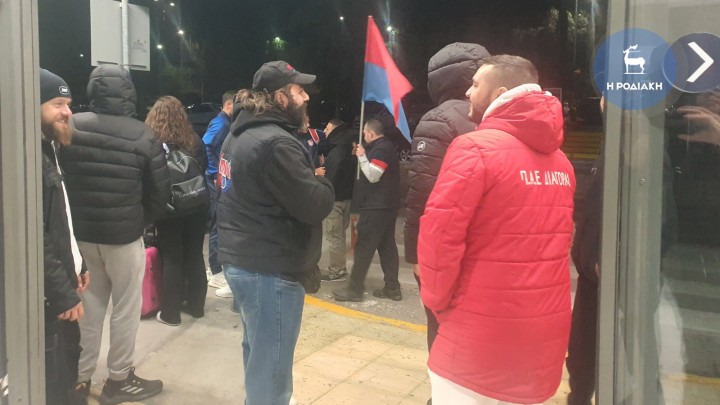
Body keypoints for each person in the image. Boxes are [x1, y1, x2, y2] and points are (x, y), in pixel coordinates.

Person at [417, 55, 575, 404]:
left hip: (477, 341)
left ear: (500, 93)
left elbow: (439, 239)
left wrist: (438, 304)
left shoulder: (474, 148)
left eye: (475, 84)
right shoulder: (561, 163)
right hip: (541, 343)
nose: (468, 92)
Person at [217, 61, 334, 404]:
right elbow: (315, 204)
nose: (306, 97)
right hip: (269, 268)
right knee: (271, 373)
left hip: (245, 259)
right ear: (280, 97)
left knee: (259, 357)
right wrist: (323, 180)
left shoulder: (239, 133)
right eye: (299, 90)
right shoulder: (276, 143)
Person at [59, 65, 169, 405]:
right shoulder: (143, 134)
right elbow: (160, 193)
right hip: (124, 237)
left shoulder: (71, 125)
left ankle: (79, 379)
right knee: (125, 309)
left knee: (87, 308)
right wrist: (139, 221)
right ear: (129, 93)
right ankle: (119, 379)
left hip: (80, 237)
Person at [404, 42, 489, 355]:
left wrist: (414, 254)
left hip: (448, 247)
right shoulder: (496, 114)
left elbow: (421, 192)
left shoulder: (438, 120)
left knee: (441, 327)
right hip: (489, 246)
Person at [39, 68, 89, 405]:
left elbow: (61, 219)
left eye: (68, 104)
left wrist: (78, 263)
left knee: (69, 360)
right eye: (58, 104)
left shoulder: (49, 148)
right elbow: (34, 236)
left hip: (62, 283)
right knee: (53, 376)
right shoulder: (24, 156)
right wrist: (61, 293)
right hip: (47, 295)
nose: (67, 112)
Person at [145, 96, 209, 326]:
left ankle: (170, 314)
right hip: (197, 204)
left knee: (172, 257)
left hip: (170, 208)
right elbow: (202, 167)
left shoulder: (152, 142)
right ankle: (196, 306)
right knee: (195, 253)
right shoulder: (194, 139)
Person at [333, 118, 402, 302]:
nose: (363, 135)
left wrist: (362, 156)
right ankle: (392, 288)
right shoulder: (385, 147)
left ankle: (355, 289)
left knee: (364, 246)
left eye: (364, 132)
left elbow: (373, 176)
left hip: (376, 206)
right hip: (386, 205)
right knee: (386, 246)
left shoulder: (381, 149)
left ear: (371, 133)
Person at [202, 91, 234, 298]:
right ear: (229, 105)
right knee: (216, 224)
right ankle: (215, 271)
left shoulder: (224, 122)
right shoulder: (221, 123)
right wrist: (215, 173)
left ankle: (216, 268)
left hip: (218, 179)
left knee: (218, 223)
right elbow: (206, 144)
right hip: (215, 180)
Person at [319, 118, 356, 281]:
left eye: (327, 129)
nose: (324, 132)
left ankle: (337, 270)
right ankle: (340, 267)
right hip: (347, 197)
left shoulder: (336, 152)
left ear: (334, 129)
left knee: (334, 236)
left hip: (335, 200)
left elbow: (331, 178)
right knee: (340, 234)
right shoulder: (349, 148)